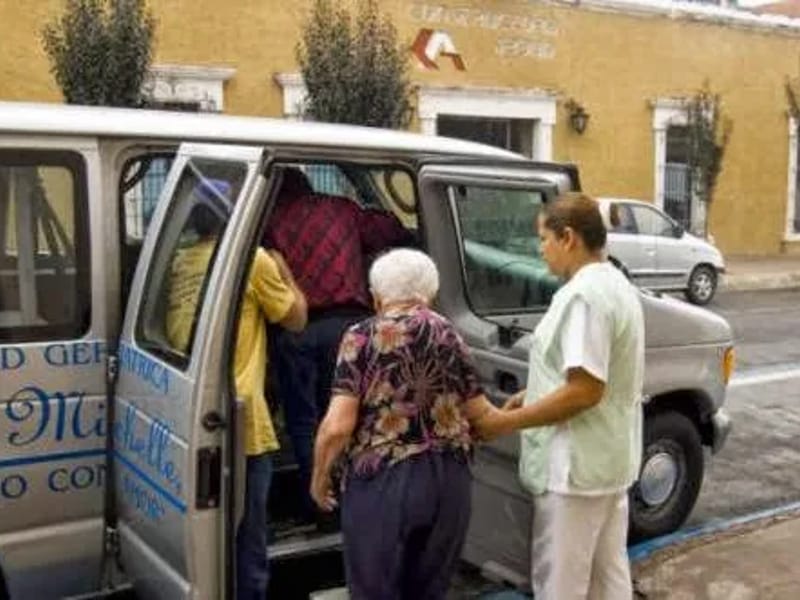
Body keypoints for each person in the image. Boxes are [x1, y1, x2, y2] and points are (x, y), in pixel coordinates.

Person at [310, 248, 539, 599]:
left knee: (375, 591)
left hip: (385, 482)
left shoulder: (362, 336)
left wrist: (319, 477)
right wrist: (523, 407)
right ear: (429, 294)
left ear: (376, 297)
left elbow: (338, 426)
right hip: (449, 482)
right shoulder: (449, 334)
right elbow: (483, 419)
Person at [166, 179, 308, 600]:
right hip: (240, 420)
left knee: (210, 532)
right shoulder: (253, 260)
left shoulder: (181, 261)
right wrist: (283, 268)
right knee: (249, 535)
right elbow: (296, 319)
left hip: (187, 404)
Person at [511, 192, 645, 600]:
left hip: (573, 470)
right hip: (609, 462)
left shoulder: (583, 297)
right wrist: (533, 393)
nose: (541, 250)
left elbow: (585, 390)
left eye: (544, 239)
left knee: (561, 585)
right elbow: (593, 372)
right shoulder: (616, 284)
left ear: (568, 237)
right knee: (608, 578)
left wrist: (506, 421)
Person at [264, 167, 414, 523]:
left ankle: (317, 504)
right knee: (349, 417)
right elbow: (392, 231)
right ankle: (352, 499)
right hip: (348, 329)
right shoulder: (342, 208)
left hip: (297, 332)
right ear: (308, 186)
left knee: (304, 422)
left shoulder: (270, 221)